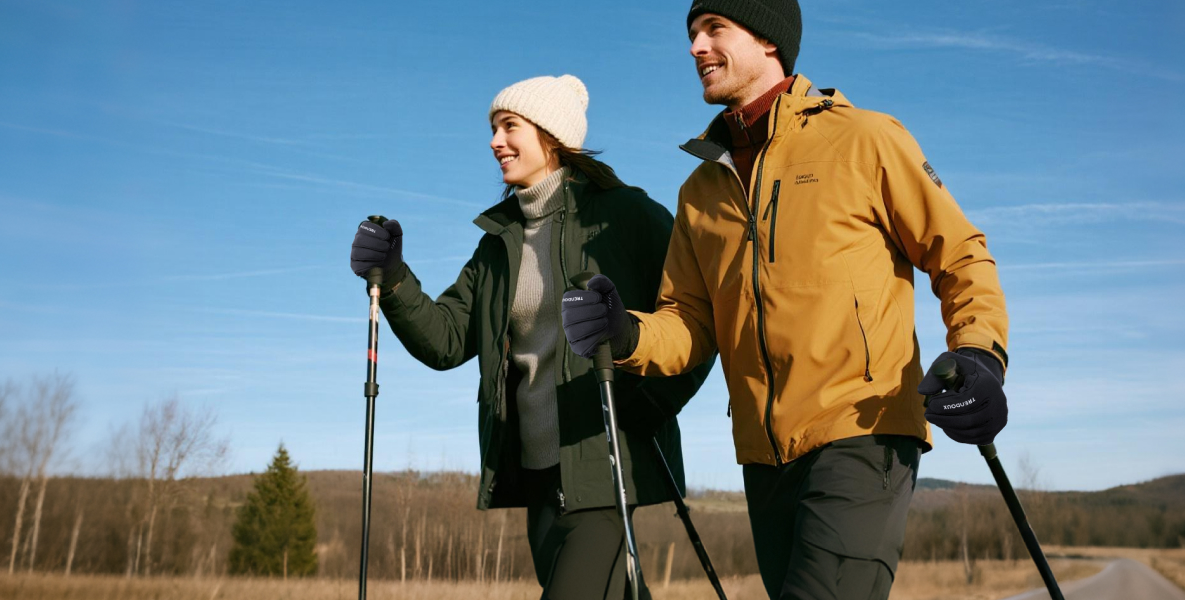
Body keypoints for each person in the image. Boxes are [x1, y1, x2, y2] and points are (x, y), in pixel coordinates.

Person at [560, 2, 1011, 598]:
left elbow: (959, 255)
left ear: (769, 40)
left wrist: (980, 355)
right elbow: (691, 322)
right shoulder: (700, 189)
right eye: (692, 34)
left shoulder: (865, 138)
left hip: (863, 428)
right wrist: (628, 335)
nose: (695, 47)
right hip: (763, 457)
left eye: (714, 29)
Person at [351, 74, 712, 599]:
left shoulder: (626, 216)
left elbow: (697, 321)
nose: (495, 141)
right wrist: (397, 279)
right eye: (494, 128)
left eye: (509, 126)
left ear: (551, 133)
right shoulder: (499, 243)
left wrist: (650, 406)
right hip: (538, 478)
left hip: (605, 466)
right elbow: (448, 339)